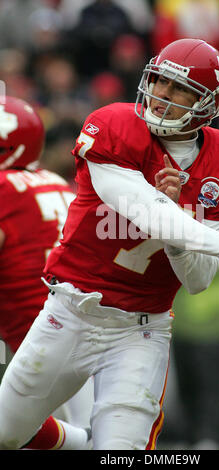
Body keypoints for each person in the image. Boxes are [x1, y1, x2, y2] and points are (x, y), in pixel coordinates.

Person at [0, 39, 219, 451]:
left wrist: (181, 220)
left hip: (140, 330)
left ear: (208, 105)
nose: (162, 95)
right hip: (71, 310)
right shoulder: (115, 125)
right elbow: (142, 208)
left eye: (179, 89)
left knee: (121, 452)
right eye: (159, 81)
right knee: (6, 433)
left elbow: (197, 281)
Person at [0, 96, 92, 449]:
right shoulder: (53, 180)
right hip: (84, 325)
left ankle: (84, 443)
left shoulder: (5, 190)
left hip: (41, 336)